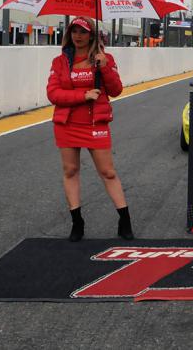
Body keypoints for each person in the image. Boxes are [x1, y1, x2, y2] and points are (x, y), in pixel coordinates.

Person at [46, 16, 133, 242]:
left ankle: (125, 220)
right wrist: (82, 96)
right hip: (67, 123)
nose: (78, 35)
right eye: (74, 31)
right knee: (70, 171)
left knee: (108, 172)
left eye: (83, 32)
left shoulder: (104, 59)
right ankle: (77, 222)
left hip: (96, 123)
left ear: (92, 35)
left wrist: (105, 69)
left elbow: (116, 91)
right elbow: (53, 94)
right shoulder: (60, 62)